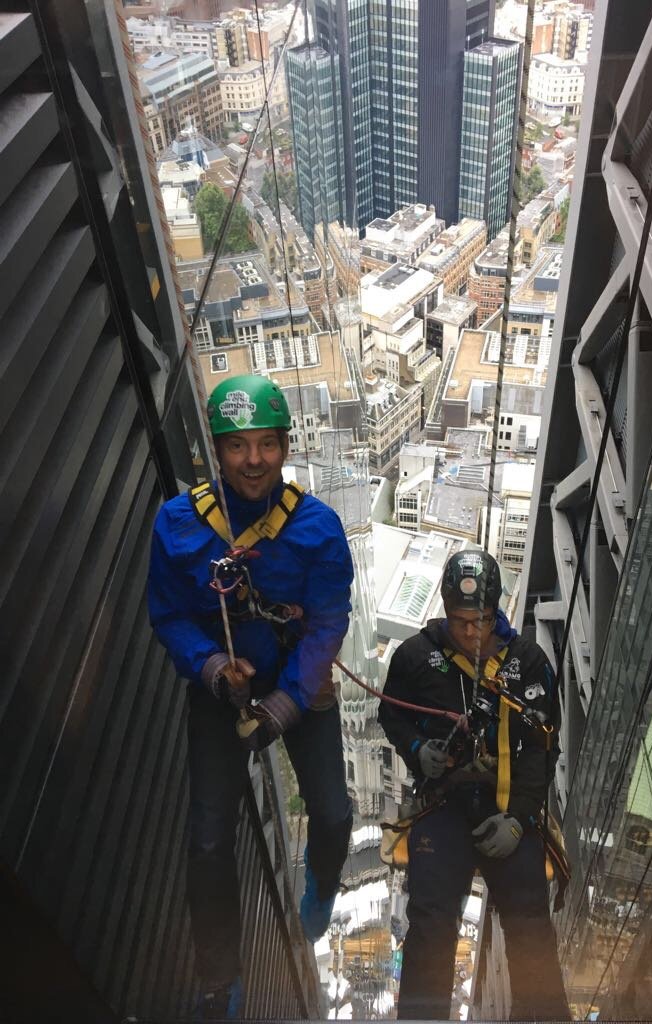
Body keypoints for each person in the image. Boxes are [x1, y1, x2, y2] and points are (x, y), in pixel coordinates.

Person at [147, 375, 353, 1018]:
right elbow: (168, 614)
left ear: (287, 447)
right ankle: (219, 977)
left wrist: (287, 703)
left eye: (267, 445)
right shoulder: (180, 525)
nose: (255, 461)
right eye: (239, 447)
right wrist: (211, 667)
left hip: (296, 678)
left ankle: (319, 886)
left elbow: (326, 623)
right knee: (206, 840)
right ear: (217, 450)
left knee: (336, 815)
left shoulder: (316, 529)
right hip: (223, 684)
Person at [379, 549, 570, 1021]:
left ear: (497, 610)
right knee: (430, 920)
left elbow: (542, 748)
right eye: (461, 620)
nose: (471, 632)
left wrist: (520, 817)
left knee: (528, 919)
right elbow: (391, 713)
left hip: (508, 805)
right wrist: (418, 749)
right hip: (443, 805)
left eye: (481, 620)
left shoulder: (527, 663)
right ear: (446, 609)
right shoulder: (417, 657)